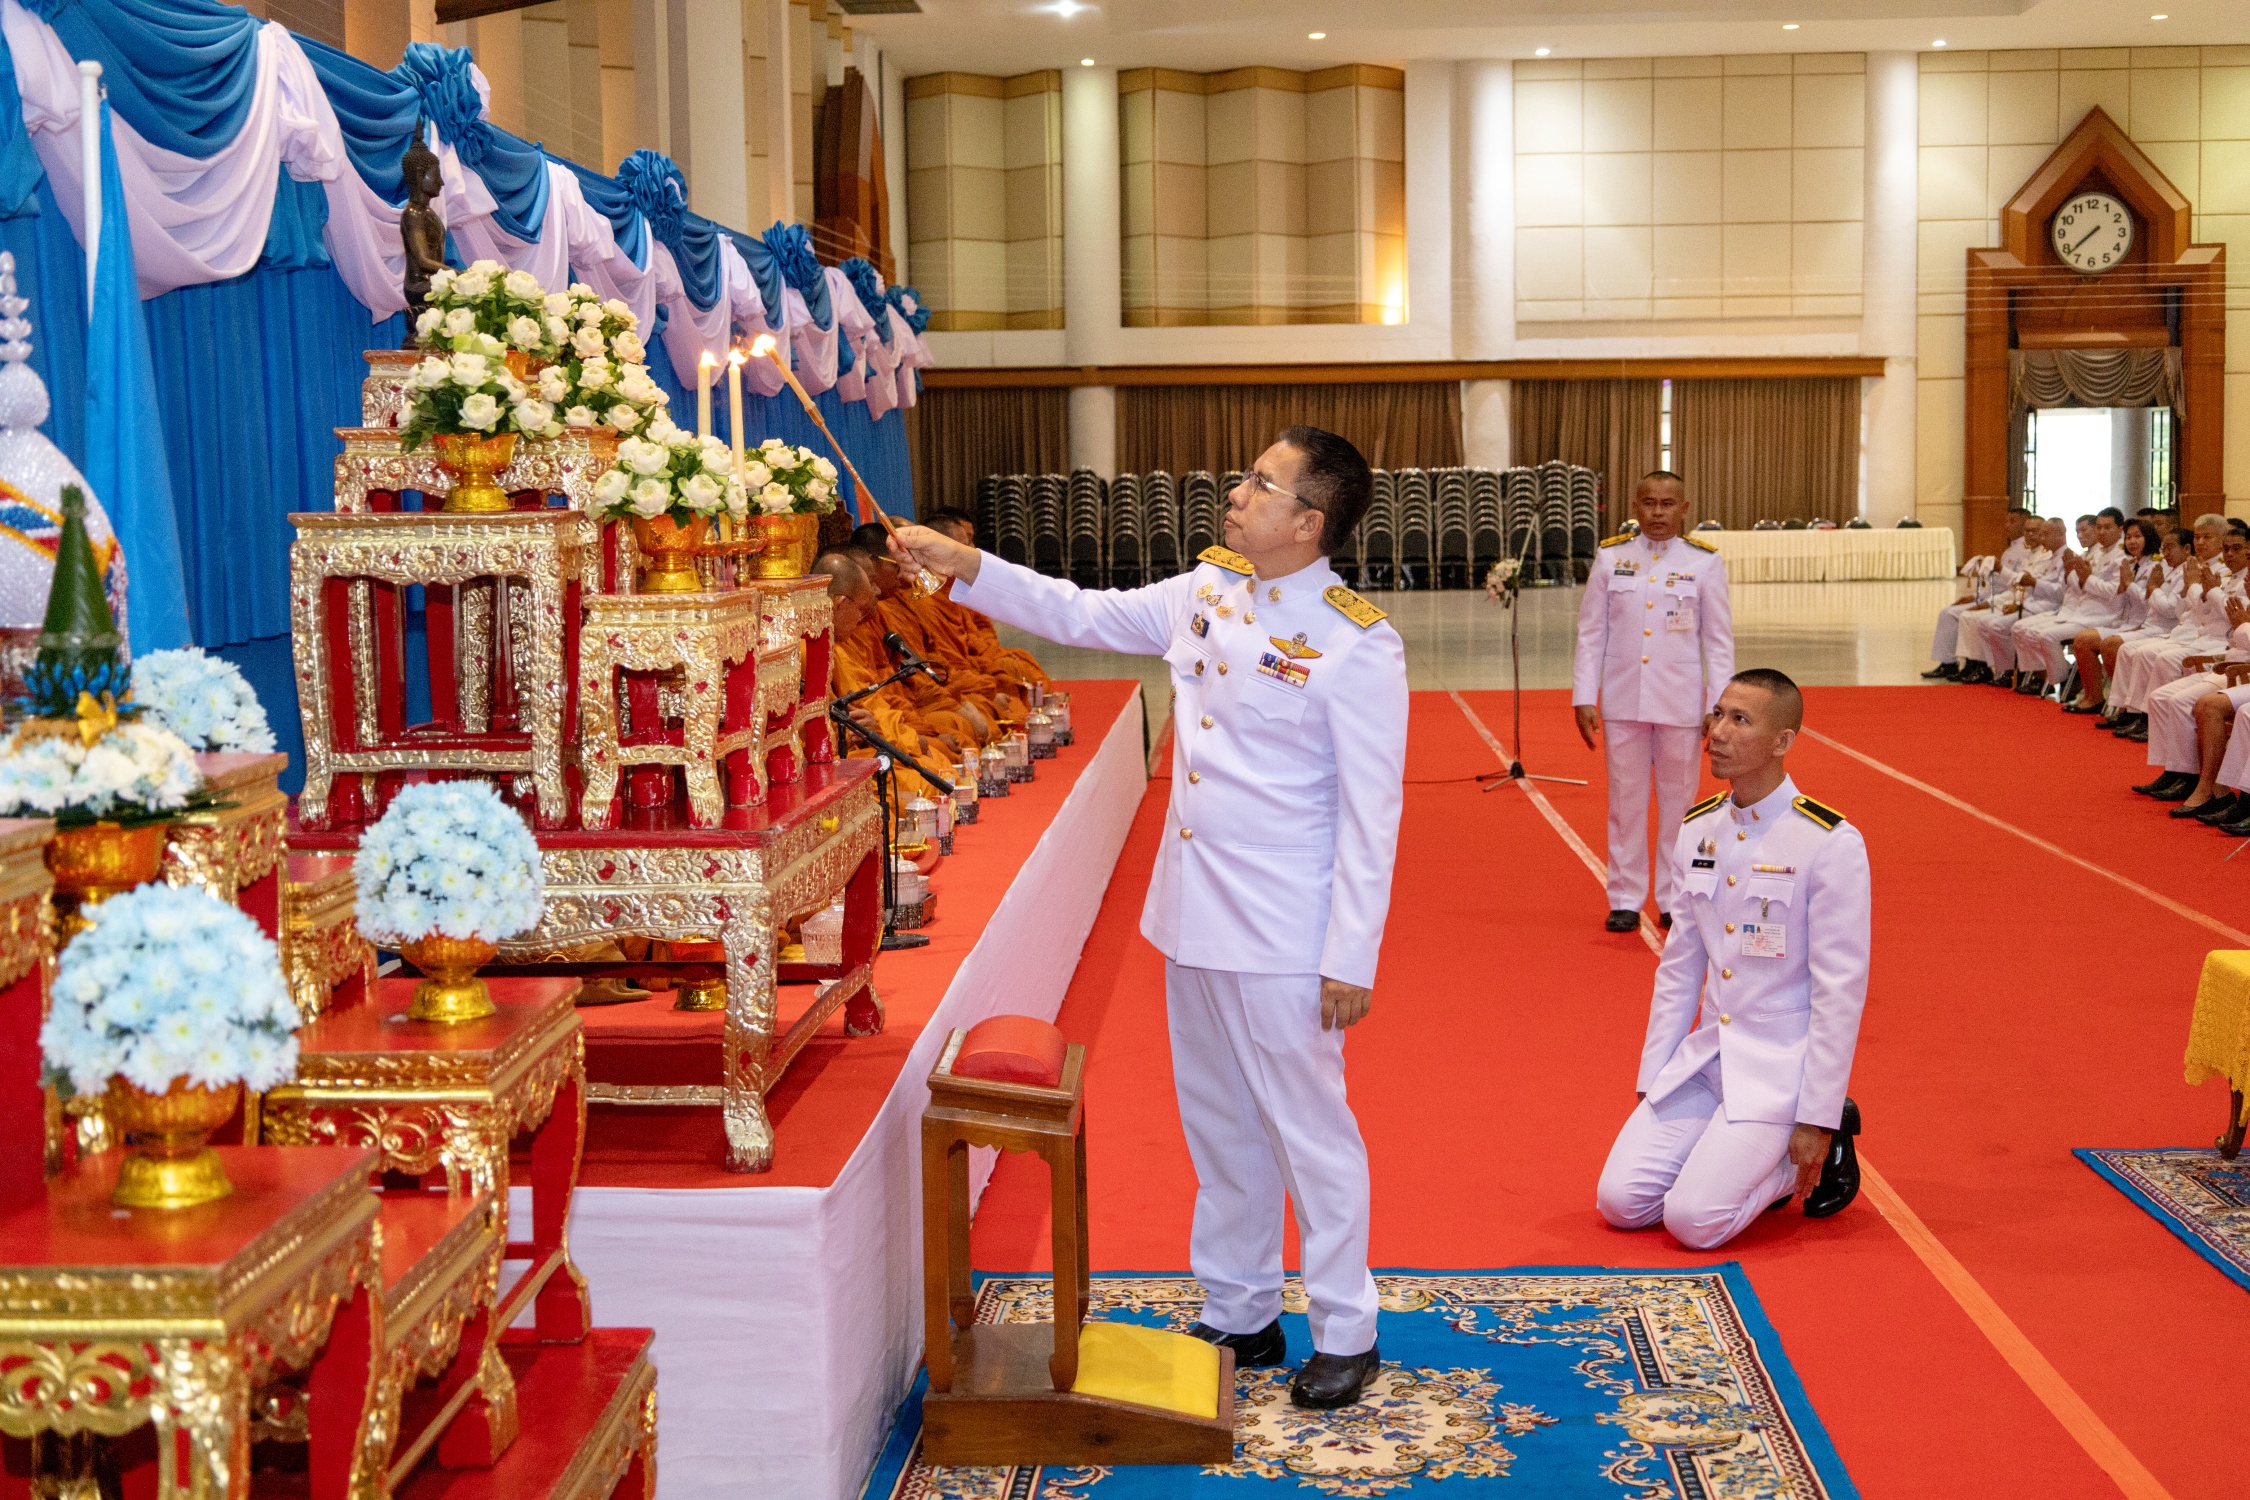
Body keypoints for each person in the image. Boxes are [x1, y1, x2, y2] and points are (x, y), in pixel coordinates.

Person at [888, 425, 1407, 1409]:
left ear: (1311, 520)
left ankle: (1347, 1326)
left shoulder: (1355, 642)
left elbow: (1372, 815)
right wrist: (967, 567)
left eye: (1261, 484)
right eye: (1245, 475)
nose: (1237, 492)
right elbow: (1079, 612)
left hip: (1287, 931)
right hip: (1193, 911)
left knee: (1310, 1133)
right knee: (1220, 1124)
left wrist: (1352, 956)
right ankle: (1243, 1307)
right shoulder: (1208, 587)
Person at [1595, 668, 1870, 1250]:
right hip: (1708, 1061)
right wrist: (1656, 1075)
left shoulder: (1827, 842)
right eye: (1716, 714)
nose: (1716, 731)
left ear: (1782, 741)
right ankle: (1725, 1152)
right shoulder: (1699, 830)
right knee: (1621, 1203)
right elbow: (1680, 966)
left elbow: (1838, 994)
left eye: (1739, 720)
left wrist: (1815, 1115)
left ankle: (1799, 1167)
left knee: (1694, 1222)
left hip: (1778, 1072)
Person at [1572, 471, 1735, 933]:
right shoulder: (1611, 557)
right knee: (1625, 803)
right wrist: (1585, 694)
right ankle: (1624, 896)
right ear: (1635, 505)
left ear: (1684, 509)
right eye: (1649, 503)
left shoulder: (1704, 563)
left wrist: (1717, 705)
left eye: (1667, 504)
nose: (1658, 513)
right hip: (1623, 699)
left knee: (1680, 804)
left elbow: (1718, 642)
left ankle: (1672, 895)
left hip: (1681, 703)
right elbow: (1591, 632)